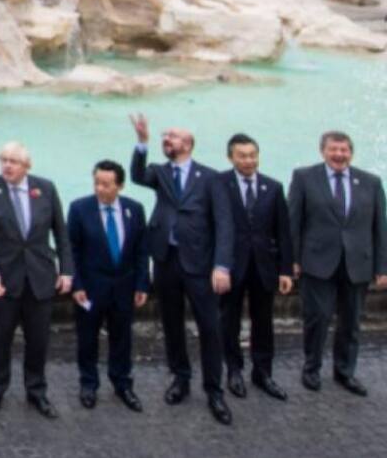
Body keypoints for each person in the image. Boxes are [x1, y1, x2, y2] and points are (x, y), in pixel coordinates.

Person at [129, 113, 234, 425]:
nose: (166, 140)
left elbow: (224, 225)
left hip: (201, 264)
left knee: (210, 328)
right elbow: (135, 175)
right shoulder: (159, 172)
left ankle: (214, 389)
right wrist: (142, 142)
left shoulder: (212, 178)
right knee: (171, 323)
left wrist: (222, 265)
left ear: (187, 144)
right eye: (164, 137)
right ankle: (181, 378)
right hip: (165, 260)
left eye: (171, 137)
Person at [0, 141, 74, 419]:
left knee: (38, 340)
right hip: (4, 279)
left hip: (40, 278)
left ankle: (37, 391)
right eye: (3, 159)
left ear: (26, 166)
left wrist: (66, 271)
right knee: (0, 338)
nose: (7, 165)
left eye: (13, 161)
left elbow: (61, 233)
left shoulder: (46, 188)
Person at [289, 131, 387, 396]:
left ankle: (345, 371)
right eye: (334, 149)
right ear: (323, 151)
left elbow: (380, 228)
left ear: (351, 153)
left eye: (344, 150)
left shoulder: (371, 182)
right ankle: (311, 369)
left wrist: (382, 267)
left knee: (351, 322)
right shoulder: (304, 178)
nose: (339, 155)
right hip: (317, 263)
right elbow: (293, 223)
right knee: (317, 319)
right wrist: (292, 260)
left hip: (357, 264)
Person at [67, 160, 149, 413]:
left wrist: (142, 285)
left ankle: (122, 383)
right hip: (91, 287)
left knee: (122, 338)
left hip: (123, 287)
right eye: (97, 183)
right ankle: (89, 384)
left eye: (106, 184)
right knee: (88, 338)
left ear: (120, 186)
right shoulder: (80, 209)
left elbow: (140, 251)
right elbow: (72, 251)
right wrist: (76, 284)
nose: (100, 189)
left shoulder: (134, 210)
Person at [219, 133, 293, 401]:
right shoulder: (219, 184)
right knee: (229, 321)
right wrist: (217, 267)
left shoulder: (273, 187)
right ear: (231, 157)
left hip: (264, 266)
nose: (249, 160)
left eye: (253, 155)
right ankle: (233, 370)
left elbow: (283, 232)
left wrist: (285, 269)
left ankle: (263, 372)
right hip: (231, 266)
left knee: (264, 322)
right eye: (242, 155)